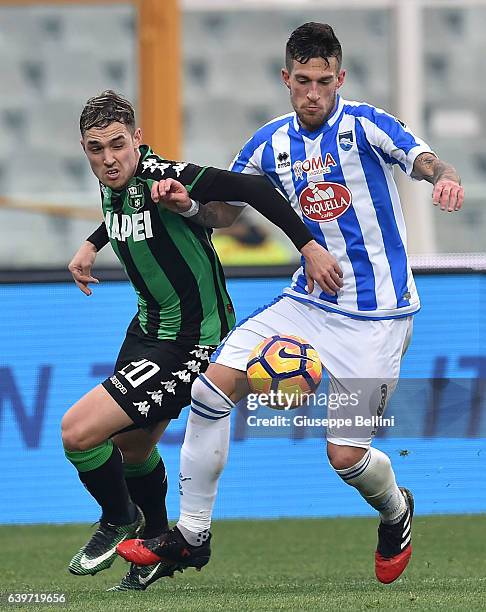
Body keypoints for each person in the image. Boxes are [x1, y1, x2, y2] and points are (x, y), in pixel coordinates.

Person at [117, 23, 464, 584]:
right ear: (286, 79)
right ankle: (191, 534)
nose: (313, 93)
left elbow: (424, 160)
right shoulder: (268, 143)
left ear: (340, 78)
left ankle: (396, 510)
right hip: (308, 303)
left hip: (377, 317)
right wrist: (186, 205)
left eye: (324, 81)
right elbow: (225, 212)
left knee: (346, 458)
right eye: (302, 81)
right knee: (210, 384)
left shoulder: (365, 125)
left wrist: (444, 179)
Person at [63, 89, 340, 591]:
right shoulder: (115, 183)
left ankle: (120, 519)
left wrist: (308, 246)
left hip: (190, 338)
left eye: (118, 145)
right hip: (147, 327)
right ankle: (152, 545)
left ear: (138, 140)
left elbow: (253, 190)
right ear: (85, 149)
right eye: (96, 148)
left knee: (78, 433)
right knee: (133, 445)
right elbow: (121, 211)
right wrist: (91, 243)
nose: (108, 159)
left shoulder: (162, 175)